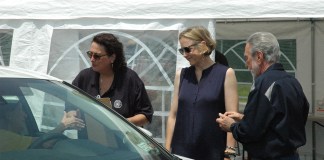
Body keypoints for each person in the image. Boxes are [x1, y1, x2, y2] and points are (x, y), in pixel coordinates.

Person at [216, 32, 309, 160]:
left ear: (259, 56)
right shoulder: (293, 82)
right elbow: (282, 120)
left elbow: (250, 132)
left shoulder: (263, 83)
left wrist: (231, 126)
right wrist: (244, 118)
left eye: (247, 58)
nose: (246, 64)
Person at [165, 26, 239, 160]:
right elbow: (173, 116)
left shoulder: (226, 73)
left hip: (213, 151)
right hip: (181, 151)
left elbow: (232, 117)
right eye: (182, 50)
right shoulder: (181, 75)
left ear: (203, 45)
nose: (185, 54)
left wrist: (229, 152)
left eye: (188, 49)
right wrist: (166, 149)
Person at [71, 33, 153, 127]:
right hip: (88, 139)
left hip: (122, 139)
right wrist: (72, 115)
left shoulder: (130, 79)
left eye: (97, 56)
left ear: (112, 57)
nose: (92, 59)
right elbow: (70, 106)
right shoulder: (83, 77)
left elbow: (146, 115)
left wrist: (121, 124)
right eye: (90, 54)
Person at [0, 101, 84, 152]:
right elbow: (45, 142)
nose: (25, 115)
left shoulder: (15, 137)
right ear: (9, 115)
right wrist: (64, 124)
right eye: (20, 110)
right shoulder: (4, 137)